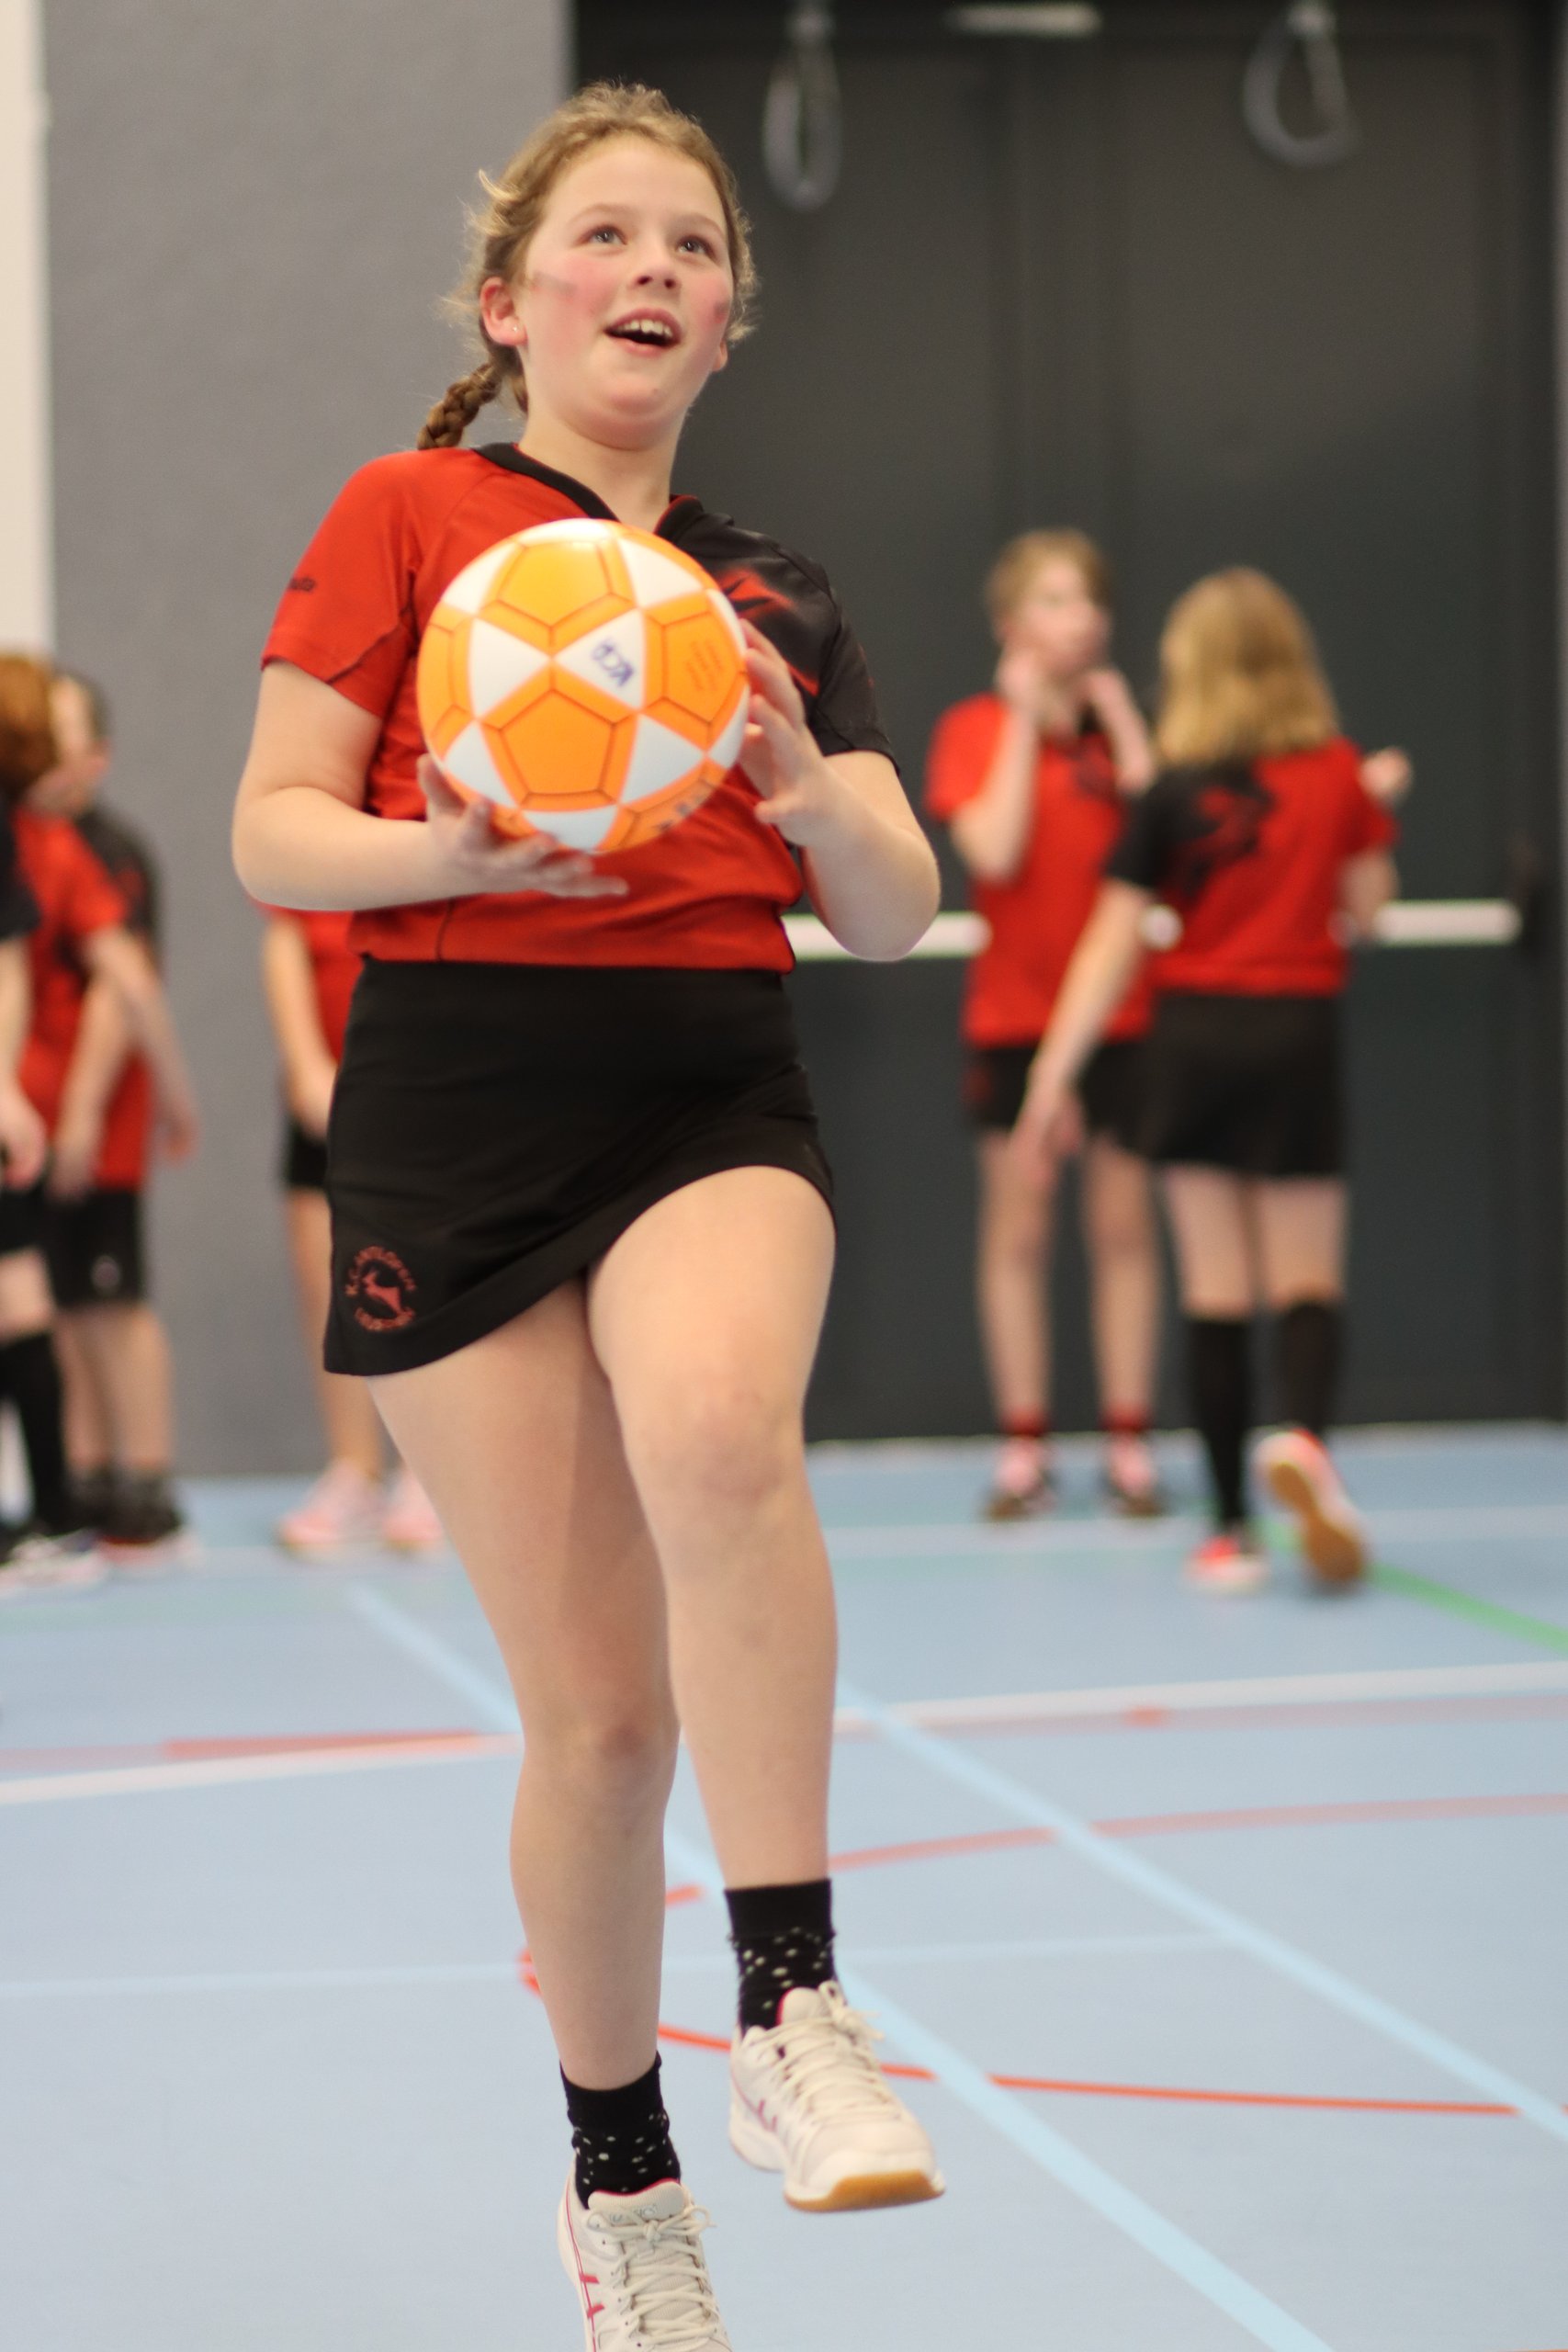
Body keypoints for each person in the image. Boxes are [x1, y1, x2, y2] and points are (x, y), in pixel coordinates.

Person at [232, 83, 944, 2349]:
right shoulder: (407, 513)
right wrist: (444, 850)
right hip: (454, 1104)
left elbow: (895, 909)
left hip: (700, 1077)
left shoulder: (772, 590)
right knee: (601, 1720)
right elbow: (270, 827)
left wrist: (803, 784)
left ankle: (795, 2002)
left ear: (729, 319)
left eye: (693, 245)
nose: (652, 267)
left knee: (722, 1428)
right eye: (605, 235)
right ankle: (621, 2175)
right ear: (507, 301)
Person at [1015, 569, 1404, 1592]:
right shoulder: (1338, 773)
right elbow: (1369, 912)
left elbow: (1110, 943)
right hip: (1295, 1034)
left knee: (1213, 1287)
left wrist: (1053, 1075)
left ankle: (1231, 1529)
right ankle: (1304, 1440)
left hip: (1190, 1041)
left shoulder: (1171, 789)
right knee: (1306, 1277)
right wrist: (1369, 818)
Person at [926, 531, 1166, 1519]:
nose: (1082, 618)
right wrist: (1027, 724)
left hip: (1125, 1020)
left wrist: (1127, 728)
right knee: (1019, 1230)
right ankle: (1024, 1446)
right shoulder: (974, 728)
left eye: (1090, 600)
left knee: (1122, 1227)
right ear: (1010, 624)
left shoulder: (1119, 734)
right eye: (1057, 600)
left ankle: (1128, 1443)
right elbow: (996, 849)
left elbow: (1167, 846)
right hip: (1014, 1020)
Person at [0, 654, 197, 1581]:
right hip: (35, 1117)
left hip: (82, 1124)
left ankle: (140, 1486)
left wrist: (111, 1104)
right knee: (61, 1304)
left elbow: (127, 988)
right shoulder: (35, 836)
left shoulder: (93, 851)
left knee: (106, 1299)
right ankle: (75, 1485)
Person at [260, 905, 443, 1553]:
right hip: (331, 1089)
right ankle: (353, 1469)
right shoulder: (315, 858)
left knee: (423, 1280)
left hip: (422, 1086)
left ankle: (424, 1472)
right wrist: (305, 1061)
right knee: (326, 1283)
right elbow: (284, 941)